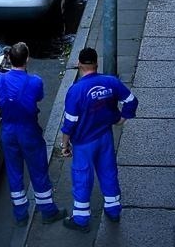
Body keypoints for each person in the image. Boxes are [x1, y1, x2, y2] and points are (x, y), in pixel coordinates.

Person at [59, 47, 138, 231]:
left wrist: (64, 144)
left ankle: (81, 219)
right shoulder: (110, 82)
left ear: (79, 64)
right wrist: (121, 118)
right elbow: (131, 100)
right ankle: (113, 210)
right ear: (96, 63)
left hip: (84, 143)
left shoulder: (75, 91)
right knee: (108, 172)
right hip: (105, 137)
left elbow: (70, 123)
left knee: (82, 177)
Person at [0, 42, 66, 228]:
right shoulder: (34, 81)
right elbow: (38, 97)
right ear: (27, 59)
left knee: (14, 171)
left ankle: (20, 215)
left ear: (9, 58)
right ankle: (48, 210)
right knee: (38, 169)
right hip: (28, 130)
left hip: (8, 131)